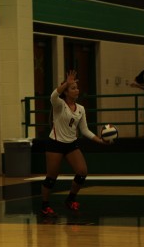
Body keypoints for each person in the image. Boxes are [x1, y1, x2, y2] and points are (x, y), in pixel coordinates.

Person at [41, 70, 105, 216]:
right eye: (73, 88)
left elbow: (85, 130)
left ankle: (70, 199)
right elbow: (53, 96)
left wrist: (99, 140)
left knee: (82, 172)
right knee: (51, 177)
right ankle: (45, 205)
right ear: (66, 92)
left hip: (71, 144)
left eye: (77, 87)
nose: (77, 90)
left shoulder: (81, 109)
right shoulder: (59, 105)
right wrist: (65, 83)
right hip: (55, 143)